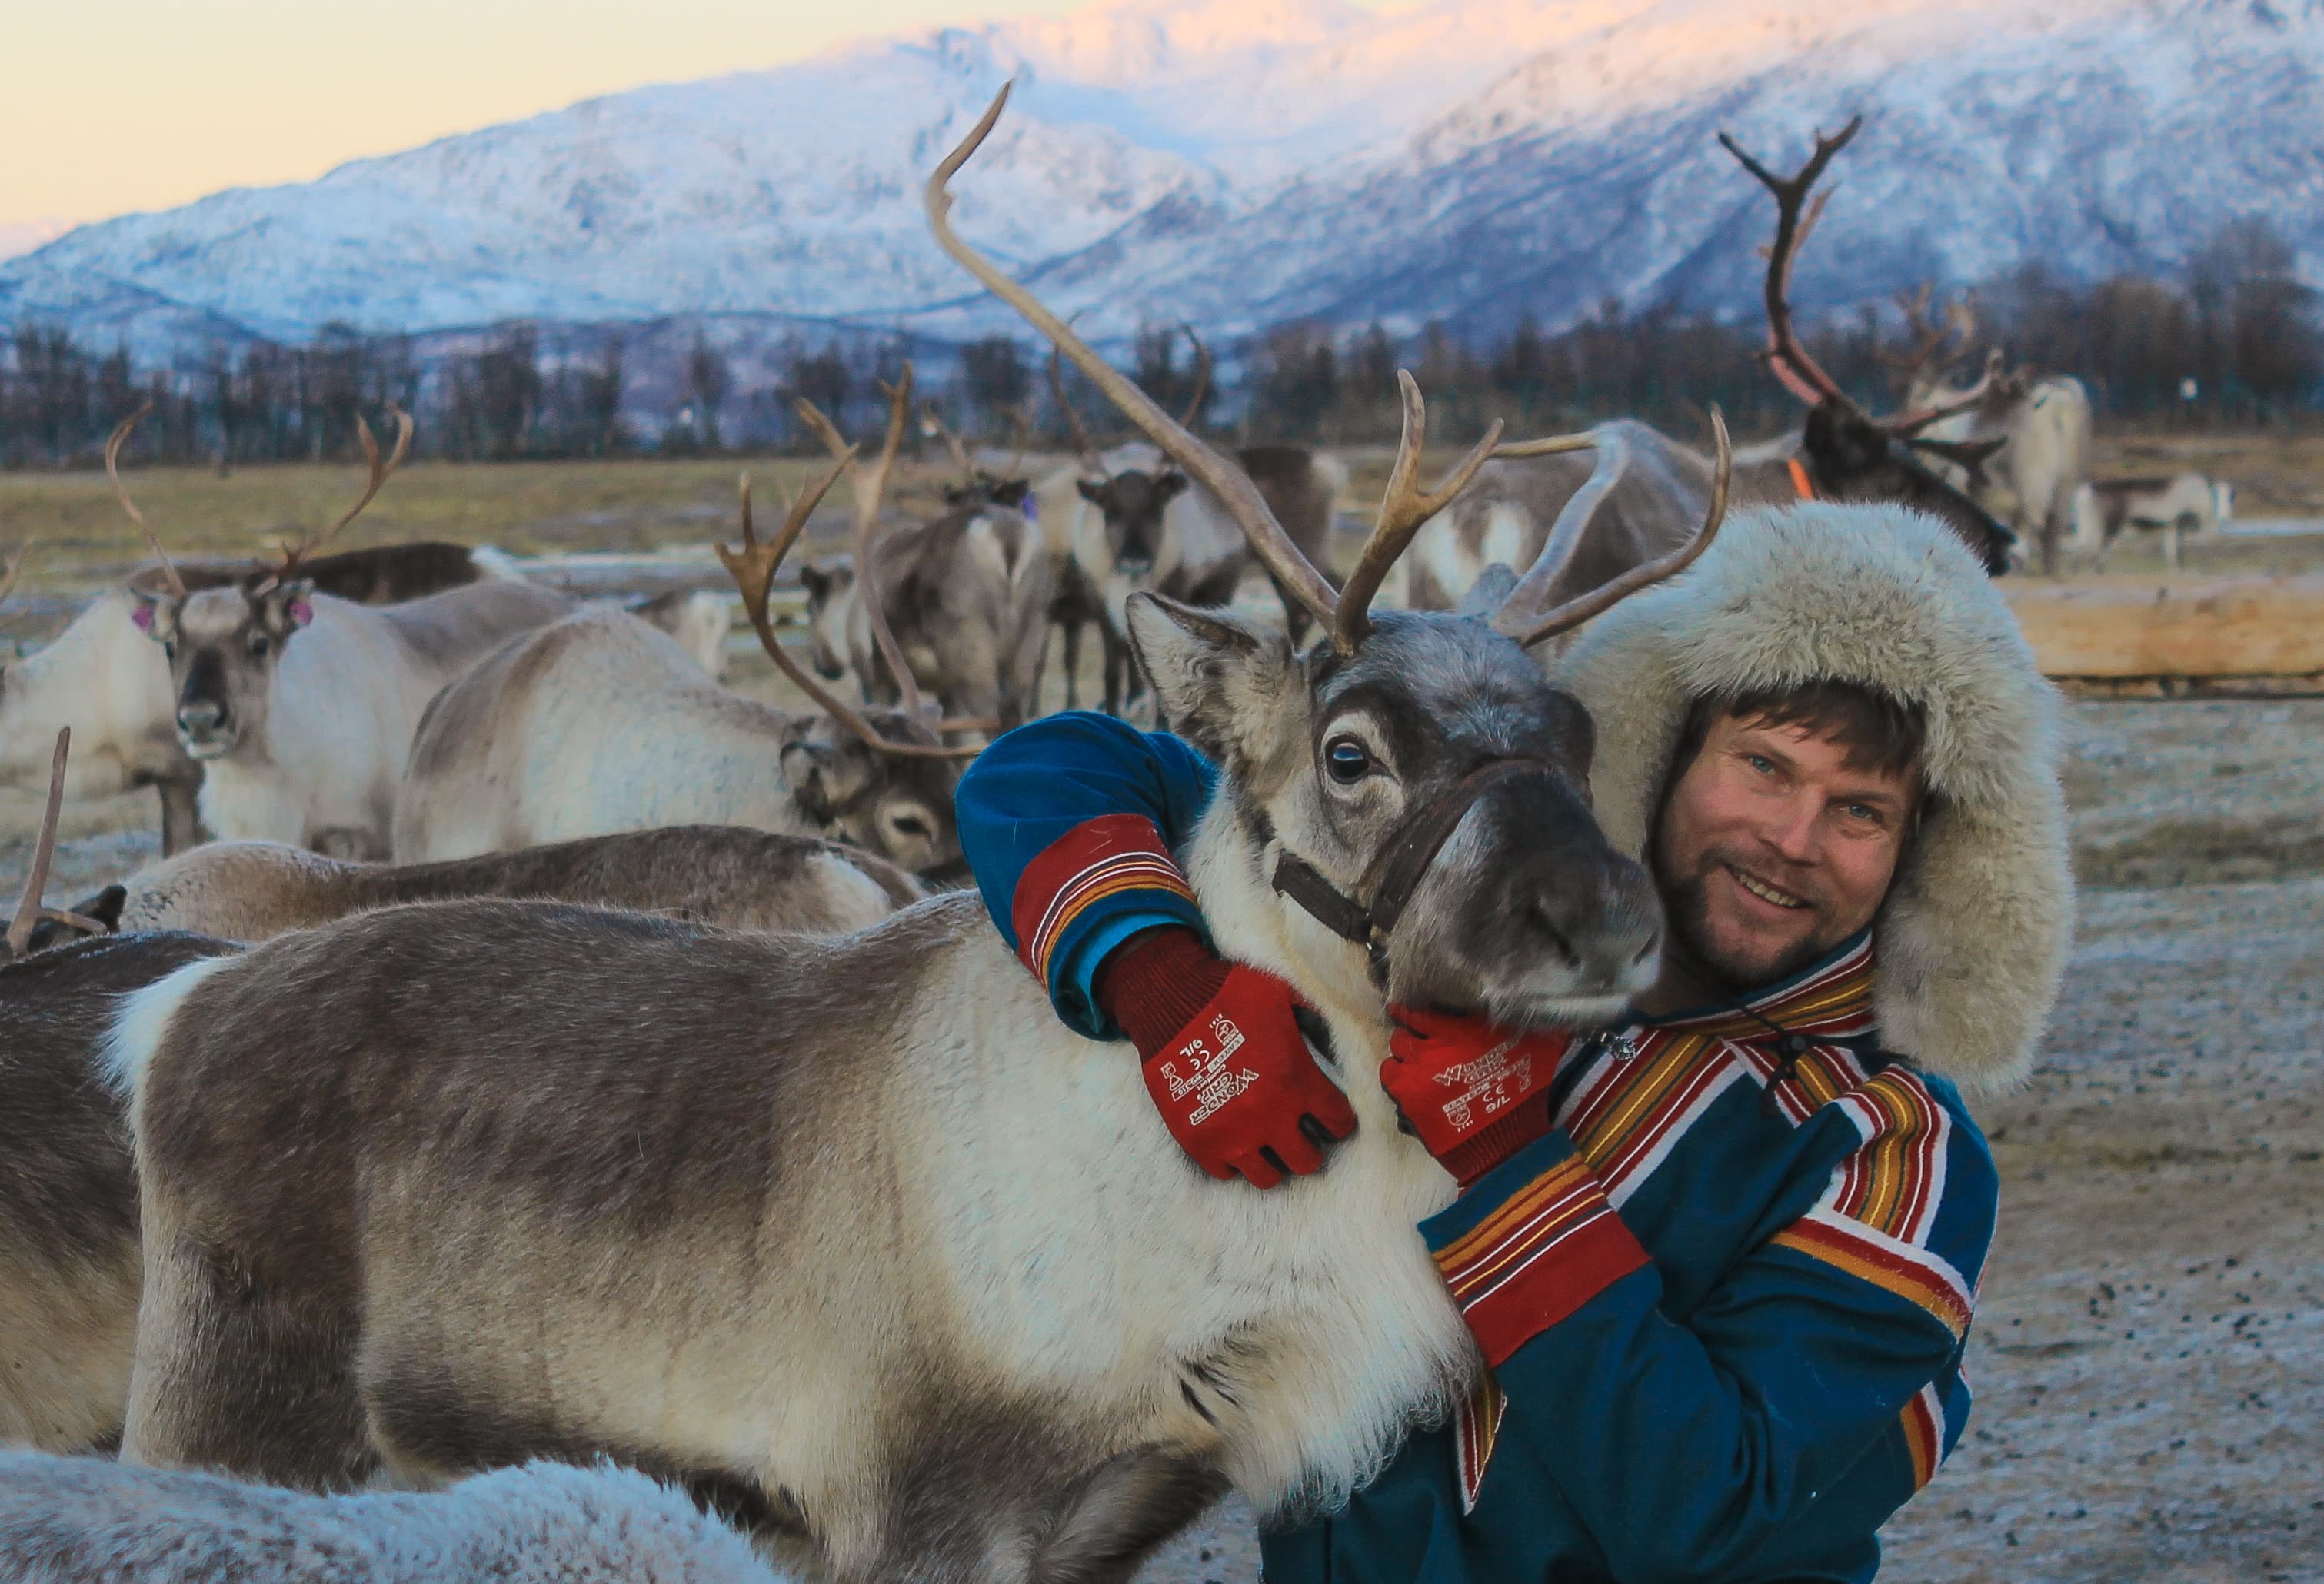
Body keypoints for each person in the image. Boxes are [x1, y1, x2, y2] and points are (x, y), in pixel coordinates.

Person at [954, 504, 2073, 1582]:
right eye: (1764, 767)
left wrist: (1506, 1161)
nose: (1791, 841)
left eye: (1860, 811)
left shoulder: (1888, 1150)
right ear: (1664, 751)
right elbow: (1053, 769)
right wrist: (1162, 985)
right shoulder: (1487, 933)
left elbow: (1713, 1514)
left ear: (1924, 856)